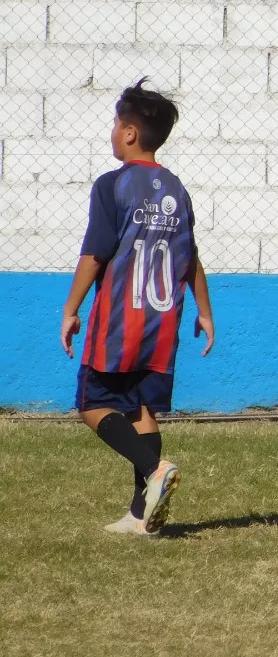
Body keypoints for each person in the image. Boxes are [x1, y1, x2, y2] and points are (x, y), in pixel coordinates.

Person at [61, 80, 215, 535]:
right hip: (162, 321)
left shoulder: (113, 186)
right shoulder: (176, 188)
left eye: (114, 124)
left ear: (129, 132)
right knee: (139, 409)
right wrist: (205, 312)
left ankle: (154, 468)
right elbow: (192, 258)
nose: (111, 131)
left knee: (92, 404)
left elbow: (95, 253)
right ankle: (138, 514)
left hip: (119, 321)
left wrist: (71, 308)